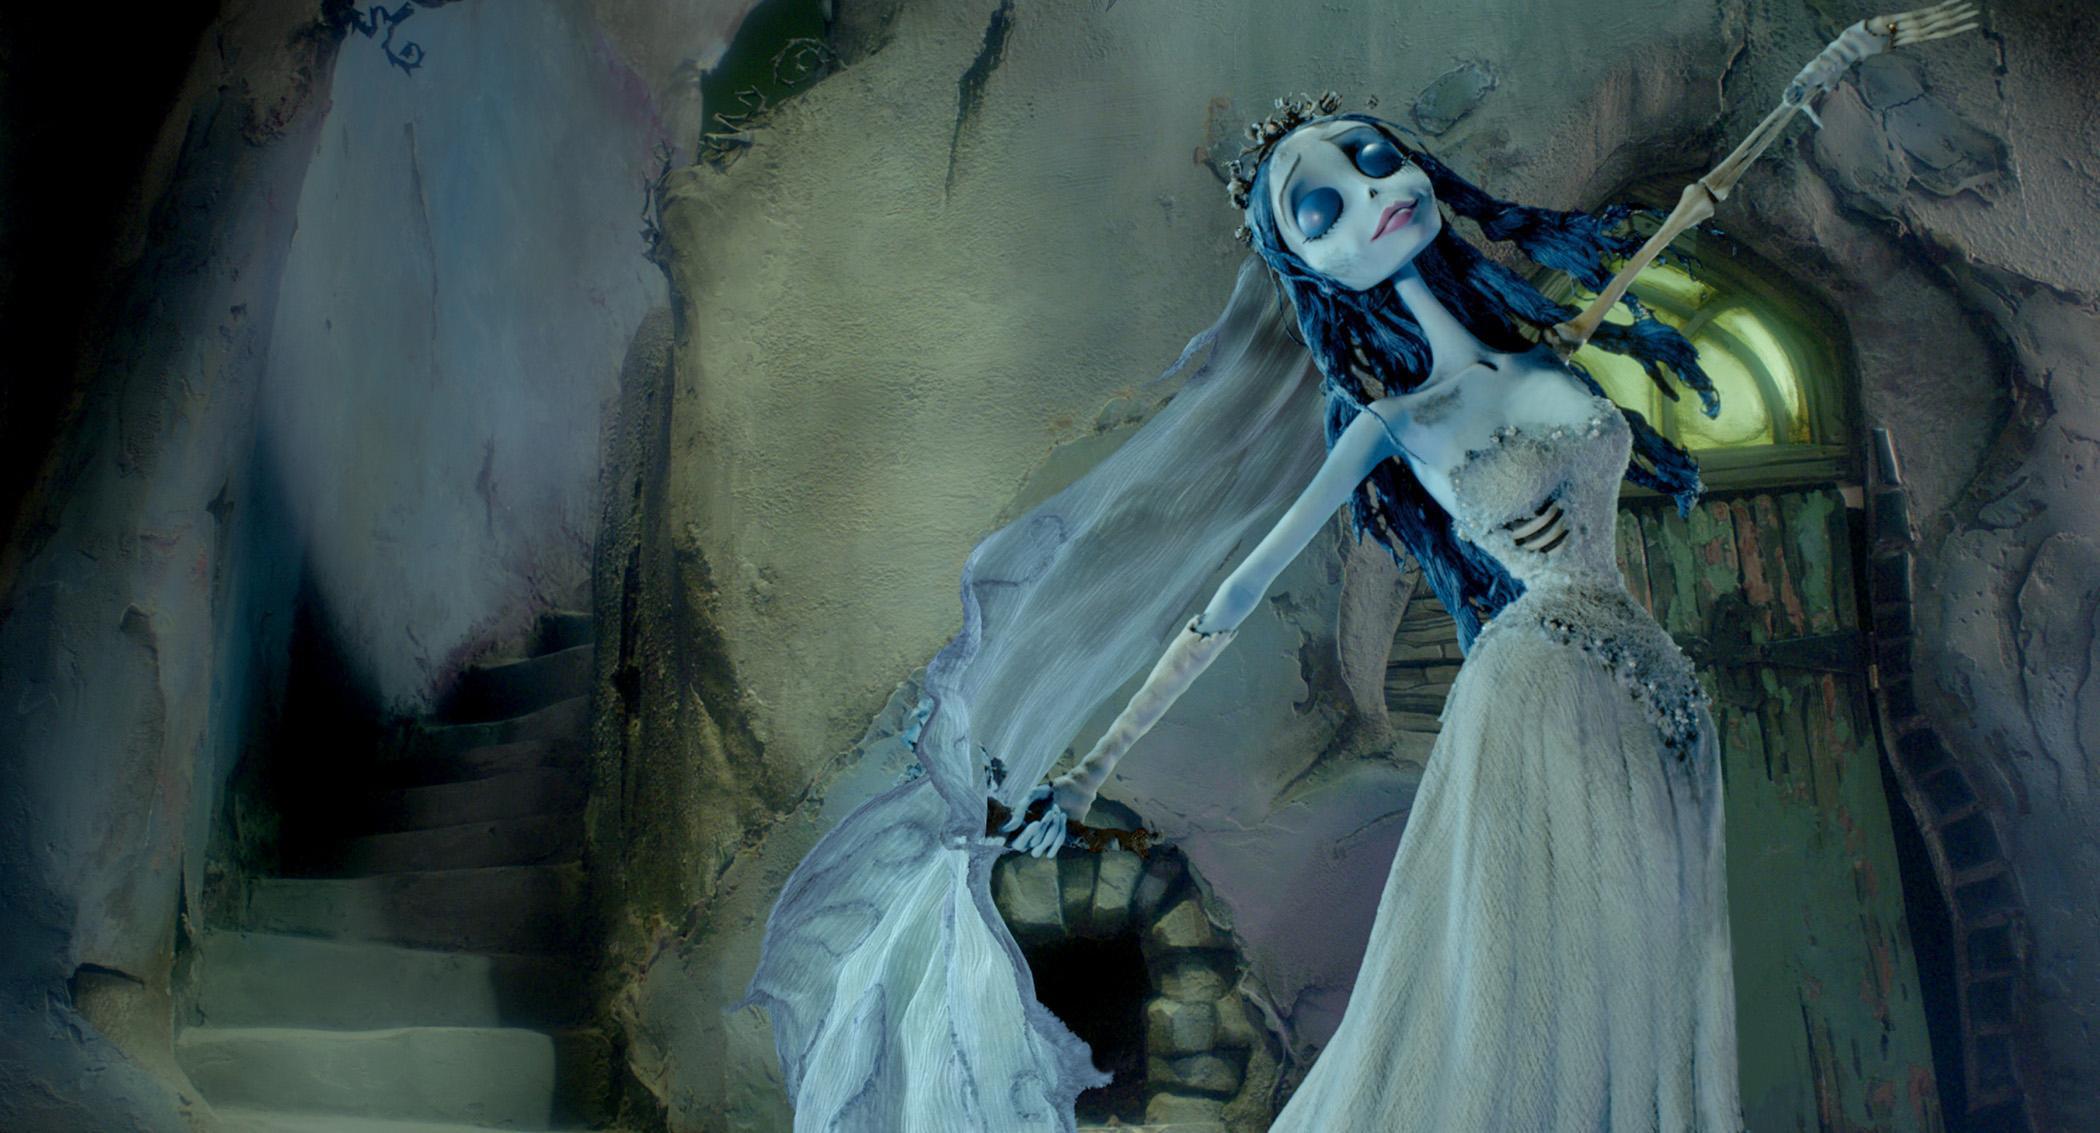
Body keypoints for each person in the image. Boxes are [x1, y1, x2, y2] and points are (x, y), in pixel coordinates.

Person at [1000, 97, 1740, 1131]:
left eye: (1375, 159)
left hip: (1652, 684)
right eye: (1323, 209)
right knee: (1561, 971)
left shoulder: (1544, 353)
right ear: (1309, 270)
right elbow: (1240, 588)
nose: (1373, 195)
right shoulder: (1392, 422)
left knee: (1653, 968)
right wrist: (1092, 765)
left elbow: (1603, 312)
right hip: (1542, 688)